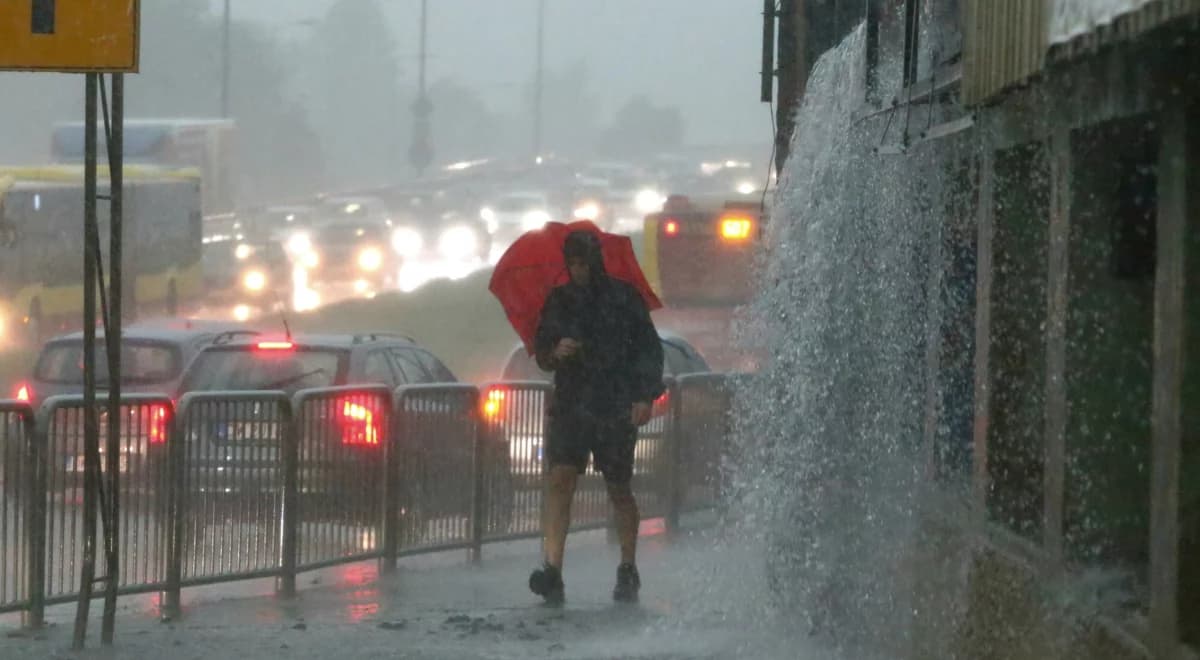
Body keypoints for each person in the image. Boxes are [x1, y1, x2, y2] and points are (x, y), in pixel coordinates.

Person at [528, 230, 664, 605]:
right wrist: (555, 352)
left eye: (583, 263)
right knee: (560, 478)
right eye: (572, 264)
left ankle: (627, 566)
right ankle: (553, 570)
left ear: (596, 261)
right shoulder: (559, 300)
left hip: (613, 404)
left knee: (619, 487)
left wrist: (643, 395)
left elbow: (648, 350)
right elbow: (542, 350)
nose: (578, 271)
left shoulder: (624, 298)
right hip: (572, 403)